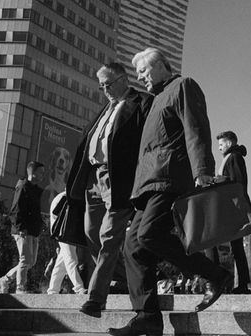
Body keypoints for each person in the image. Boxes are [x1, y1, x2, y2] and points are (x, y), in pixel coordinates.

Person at [108, 48, 231, 336]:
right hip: (147, 184)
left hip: (170, 177)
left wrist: (202, 173)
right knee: (133, 247)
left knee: (149, 234)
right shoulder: (152, 102)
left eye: (145, 71)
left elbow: (196, 130)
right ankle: (147, 316)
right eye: (138, 74)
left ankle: (216, 274)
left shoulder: (182, 86)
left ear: (163, 65)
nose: (141, 77)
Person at [65, 62, 152, 317]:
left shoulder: (142, 103)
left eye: (109, 84)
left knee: (108, 236)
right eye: (101, 86)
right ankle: (129, 277)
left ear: (124, 79)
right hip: (93, 178)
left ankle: (95, 299)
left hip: (119, 179)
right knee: (91, 234)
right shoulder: (106, 107)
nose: (105, 90)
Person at [0, 161, 45, 294]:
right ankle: (20, 288)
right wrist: (20, 228)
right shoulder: (23, 187)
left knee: (31, 262)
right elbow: (15, 209)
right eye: (40, 172)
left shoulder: (36, 190)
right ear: (32, 173)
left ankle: (4, 280)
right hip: (22, 230)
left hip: (33, 231)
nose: (42, 175)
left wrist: (40, 226)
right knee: (25, 260)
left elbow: (35, 212)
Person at [215, 130, 251, 294]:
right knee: (235, 247)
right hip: (231, 206)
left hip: (234, 207)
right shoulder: (230, 158)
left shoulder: (235, 157)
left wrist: (219, 181)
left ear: (229, 143)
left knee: (236, 247)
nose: (219, 148)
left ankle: (241, 284)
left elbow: (239, 183)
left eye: (221, 144)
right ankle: (240, 283)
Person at [46, 191, 87, 295]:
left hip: (64, 233)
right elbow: (57, 217)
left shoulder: (63, 197)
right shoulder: (65, 198)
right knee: (71, 258)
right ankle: (79, 287)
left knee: (62, 261)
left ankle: (53, 289)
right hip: (64, 233)